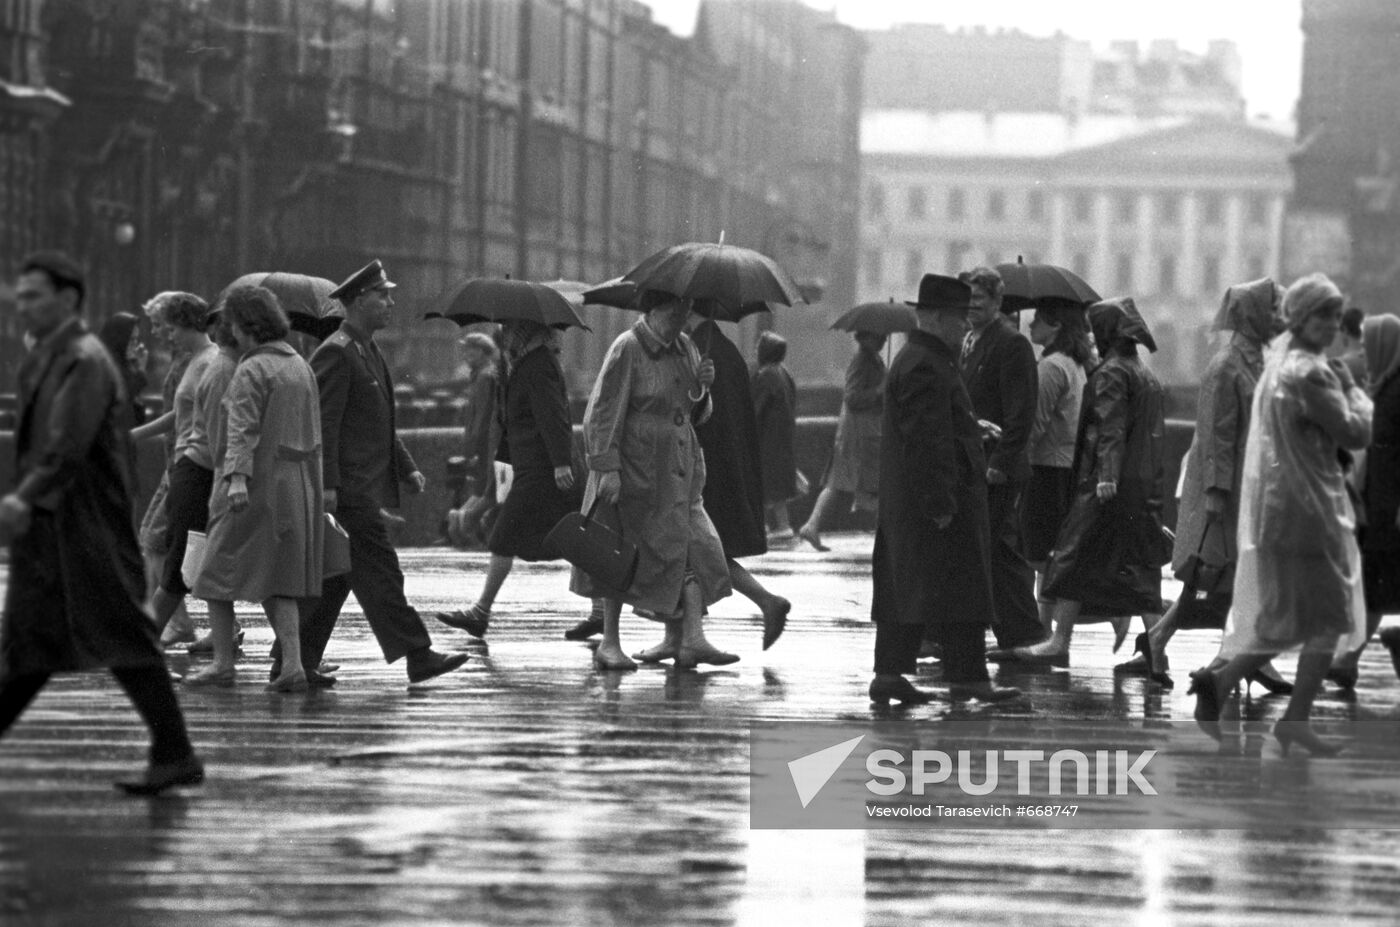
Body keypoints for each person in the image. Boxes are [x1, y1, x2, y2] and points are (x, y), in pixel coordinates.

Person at [0, 250, 203, 794]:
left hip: (85, 524)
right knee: (32, 645)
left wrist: (24, 498)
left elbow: (67, 443)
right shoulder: (50, 356)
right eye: (21, 295)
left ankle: (176, 752)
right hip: (55, 526)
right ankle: (175, 752)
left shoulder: (84, 360)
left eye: (34, 296)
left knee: (118, 636)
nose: (23, 305)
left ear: (68, 298)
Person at [1190, 273, 1371, 756]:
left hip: (1282, 512)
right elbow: (1355, 432)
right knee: (1327, 619)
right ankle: (1290, 717)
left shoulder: (1279, 366)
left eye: (1336, 316)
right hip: (1312, 514)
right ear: (1301, 318)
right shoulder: (1313, 373)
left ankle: (1223, 684)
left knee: (1288, 620)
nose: (1331, 325)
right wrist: (1354, 390)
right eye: (1322, 315)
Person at [289, 260, 468, 685]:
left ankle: (294, 660)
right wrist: (328, 484)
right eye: (382, 295)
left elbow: (378, 421)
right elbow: (324, 425)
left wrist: (405, 466)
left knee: (335, 578)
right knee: (382, 572)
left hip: (361, 486)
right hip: (349, 490)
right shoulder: (336, 352)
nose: (390, 302)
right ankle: (418, 654)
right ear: (356, 301)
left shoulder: (367, 349)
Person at [1123, 278, 1289, 691]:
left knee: (1219, 577)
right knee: (1223, 575)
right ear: (1252, 316)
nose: (1280, 318)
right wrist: (1216, 492)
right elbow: (1216, 435)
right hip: (1226, 490)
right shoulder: (1226, 366)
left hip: (1246, 485)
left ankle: (1165, 641)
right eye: (1273, 310)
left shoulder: (1254, 363)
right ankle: (1237, 660)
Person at [868, 273, 1021, 705]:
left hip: (915, 502)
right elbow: (926, 440)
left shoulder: (923, 358)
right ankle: (969, 678)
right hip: (937, 501)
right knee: (961, 590)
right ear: (935, 318)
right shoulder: (927, 364)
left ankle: (889, 673)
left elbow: (934, 426)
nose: (965, 325)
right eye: (958, 317)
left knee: (908, 587)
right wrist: (941, 502)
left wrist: (970, 428)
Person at [570, 288, 735, 671]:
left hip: (675, 468)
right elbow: (602, 412)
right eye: (676, 309)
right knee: (619, 553)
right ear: (656, 308)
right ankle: (610, 642)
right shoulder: (628, 348)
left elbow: (693, 411)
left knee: (686, 546)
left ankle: (685, 637)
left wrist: (703, 387)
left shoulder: (686, 347)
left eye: (687, 308)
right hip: (635, 466)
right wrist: (607, 468)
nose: (683, 317)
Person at [1010, 297, 1169, 665]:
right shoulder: (1144, 373)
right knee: (1140, 569)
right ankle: (1157, 653)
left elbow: (1110, 425)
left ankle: (1058, 641)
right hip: (1139, 485)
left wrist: (1106, 475)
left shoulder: (1112, 372)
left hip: (1104, 484)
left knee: (1071, 556)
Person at [184, 285, 324, 691]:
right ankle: (293, 664)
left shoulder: (252, 369)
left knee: (214, 574)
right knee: (280, 578)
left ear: (244, 326)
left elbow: (241, 429)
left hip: (254, 485)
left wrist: (236, 478)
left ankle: (223, 662)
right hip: (295, 484)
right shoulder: (299, 365)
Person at [434, 319, 602, 639]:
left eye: (510, 331)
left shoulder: (538, 365)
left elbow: (553, 415)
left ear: (526, 332)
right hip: (536, 467)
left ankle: (480, 613)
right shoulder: (524, 364)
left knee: (504, 536)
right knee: (571, 538)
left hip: (543, 471)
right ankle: (600, 612)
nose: (505, 336)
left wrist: (561, 463)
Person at [684, 309, 790, 652]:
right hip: (727, 467)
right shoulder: (725, 350)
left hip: (707, 470)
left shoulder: (701, 350)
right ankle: (685, 634)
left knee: (699, 549)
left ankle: (764, 602)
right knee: (702, 550)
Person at [957, 266, 1044, 651]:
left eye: (979, 300)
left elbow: (1020, 413)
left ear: (996, 302)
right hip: (975, 462)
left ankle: (1023, 633)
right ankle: (1013, 632)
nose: (971, 306)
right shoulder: (969, 340)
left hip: (997, 467)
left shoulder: (1011, 344)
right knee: (991, 550)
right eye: (967, 300)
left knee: (998, 550)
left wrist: (1000, 464)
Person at [135, 294, 222, 646]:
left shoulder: (208, 362)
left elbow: (210, 419)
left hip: (192, 466)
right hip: (186, 464)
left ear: (186, 323)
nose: (164, 334)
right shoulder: (197, 360)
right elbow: (182, 412)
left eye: (168, 327)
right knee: (187, 553)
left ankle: (156, 636)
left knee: (176, 552)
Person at [1326, 312, 1400, 688]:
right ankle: (1349, 659)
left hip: (1390, 507)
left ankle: (1348, 659)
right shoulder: (1384, 385)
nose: (1365, 353)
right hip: (1379, 503)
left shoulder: (1395, 390)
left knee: (1376, 584)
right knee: (1376, 584)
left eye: (1371, 346)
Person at [132, 293, 198, 646]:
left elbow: (180, 414)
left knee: (157, 539)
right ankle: (162, 618)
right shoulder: (181, 358)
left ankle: (172, 621)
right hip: (174, 461)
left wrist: (136, 434)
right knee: (155, 537)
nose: (157, 332)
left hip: (184, 462)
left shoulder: (193, 360)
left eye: (161, 325)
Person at [1020, 301, 1090, 629]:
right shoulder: (1074, 364)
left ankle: (1046, 627)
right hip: (1066, 465)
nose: (1031, 324)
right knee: (1051, 553)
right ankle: (1043, 627)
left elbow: (1036, 422)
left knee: (1041, 554)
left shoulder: (1051, 366)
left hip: (1046, 467)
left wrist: (1017, 461)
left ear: (1056, 326)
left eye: (1038, 319)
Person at [797, 330, 886, 551]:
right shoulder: (862, 361)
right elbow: (852, 397)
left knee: (844, 484)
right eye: (879, 335)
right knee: (862, 483)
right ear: (867, 336)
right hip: (858, 436)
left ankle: (812, 525)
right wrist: (879, 391)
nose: (884, 339)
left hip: (863, 434)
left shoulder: (872, 359)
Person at [445, 331, 501, 549]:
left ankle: (462, 519)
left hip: (484, 442)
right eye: (466, 350)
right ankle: (464, 519)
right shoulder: (484, 375)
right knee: (488, 489)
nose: (466, 354)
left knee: (483, 488)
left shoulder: (483, 376)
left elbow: (481, 415)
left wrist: (473, 445)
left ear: (484, 352)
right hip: (486, 443)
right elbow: (482, 415)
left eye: (472, 350)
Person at [752, 331, 799, 539]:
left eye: (758, 348)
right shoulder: (784, 373)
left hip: (767, 439)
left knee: (762, 482)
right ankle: (779, 524)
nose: (756, 351)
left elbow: (756, 409)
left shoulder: (766, 375)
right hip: (782, 437)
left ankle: (770, 526)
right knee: (774, 484)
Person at [97, 311, 149, 426]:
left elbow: (137, 413)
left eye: (136, 340)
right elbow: (122, 397)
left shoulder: (125, 365)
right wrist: (140, 371)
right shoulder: (104, 365)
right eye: (131, 340)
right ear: (119, 338)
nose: (135, 344)